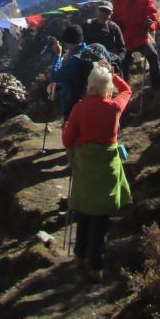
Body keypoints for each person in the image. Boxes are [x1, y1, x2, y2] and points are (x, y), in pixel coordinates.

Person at [62, 61, 133, 282]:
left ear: (90, 84)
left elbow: (67, 140)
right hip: (107, 166)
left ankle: (79, 258)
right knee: (100, 219)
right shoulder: (113, 107)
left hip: (85, 164)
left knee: (83, 213)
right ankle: (96, 267)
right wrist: (114, 74)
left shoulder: (79, 108)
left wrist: (69, 127)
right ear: (107, 85)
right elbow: (127, 90)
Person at [107, 0, 160, 95]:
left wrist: (149, 25)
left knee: (153, 56)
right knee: (123, 66)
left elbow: (154, 18)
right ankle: (125, 94)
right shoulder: (116, 1)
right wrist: (115, 26)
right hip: (124, 41)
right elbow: (110, 21)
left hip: (141, 38)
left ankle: (157, 88)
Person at [48, 25, 93, 122]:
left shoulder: (75, 60)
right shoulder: (89, 51)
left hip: (73, 103)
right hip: (88, 100)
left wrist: (57, 56)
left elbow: (55, 76)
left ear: (67, 41)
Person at [81, 1, 126, 67]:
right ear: (97, 11)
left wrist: (117, 60)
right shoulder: (87, 25)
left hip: (108, 64)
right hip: (89, 64)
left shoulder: (113, 28)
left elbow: (122, 49)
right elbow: (80, 45)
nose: (103, 15)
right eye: (101, 11)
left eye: (107, 13)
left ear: (111, 14)